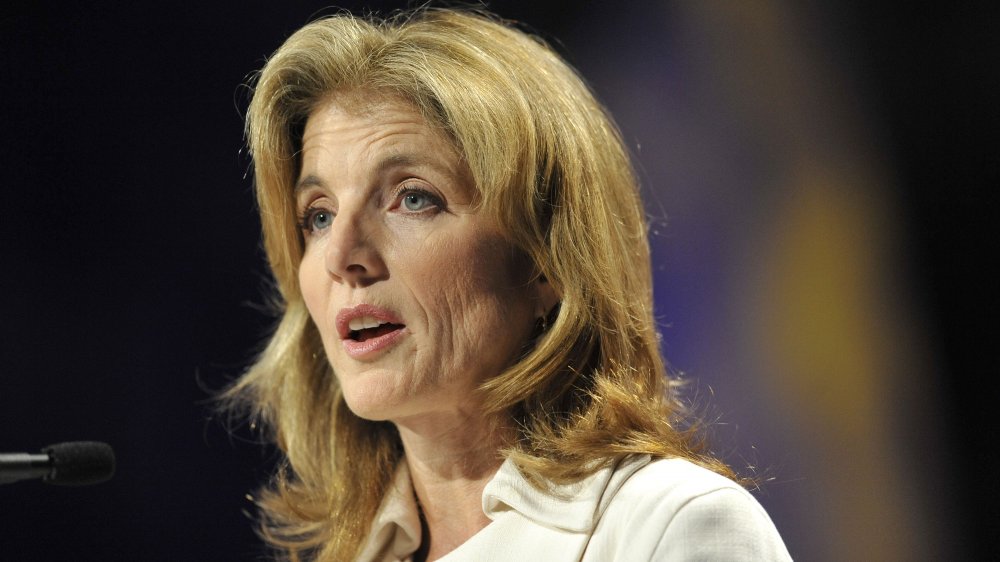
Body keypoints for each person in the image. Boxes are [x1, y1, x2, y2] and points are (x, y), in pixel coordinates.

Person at [225, 7, 791, 561]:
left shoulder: (668, 526)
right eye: (318, 215)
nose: (341, 256)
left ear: (546, 260)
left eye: (413, 198)